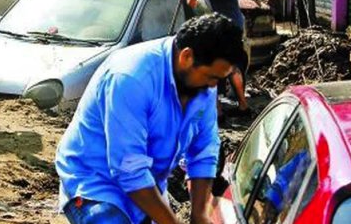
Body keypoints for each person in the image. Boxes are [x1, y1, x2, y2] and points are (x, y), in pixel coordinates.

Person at [55, 13, 248, 224]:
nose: (213, 87)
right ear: (186, 57)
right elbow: (128, 169)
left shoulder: (202, 82)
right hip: (95, 181)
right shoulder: (131, 79)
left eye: (219, 80)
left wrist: (199, 214)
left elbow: (203, 150)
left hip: (148, 181)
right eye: (212, 77)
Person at [177, 0, 250, 117]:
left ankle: (217, 111)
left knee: (214, 65)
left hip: (222, 28)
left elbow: (191, 3)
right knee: (232, 64)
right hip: (237, 21)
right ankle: (243, 105)